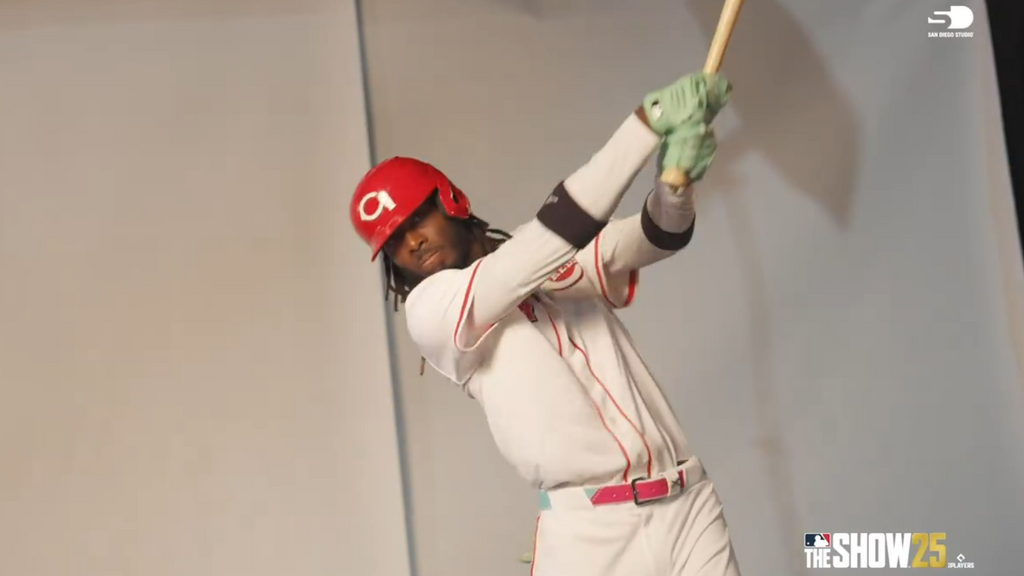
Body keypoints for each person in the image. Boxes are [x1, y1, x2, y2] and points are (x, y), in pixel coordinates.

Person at [349, 71, 741, 576]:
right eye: (394, 241)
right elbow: (554, 236)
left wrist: (674, 187)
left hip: (688, 504)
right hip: (591, 535)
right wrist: (647, 123)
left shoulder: (539, 256)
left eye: (416, 219)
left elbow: (657, 237)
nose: (412, 243)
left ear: (450, 200)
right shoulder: (431, 311)